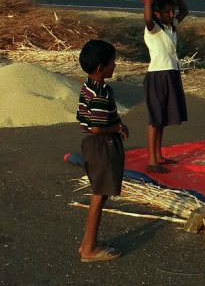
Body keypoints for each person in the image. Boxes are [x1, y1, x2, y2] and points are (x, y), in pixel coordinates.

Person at [76, 39, 128, 262]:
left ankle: (87, 243)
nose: (115, 66)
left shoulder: (88, 86)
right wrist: (118, 127)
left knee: (100, 192)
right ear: (101, 68)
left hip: (91, 145)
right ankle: (89, 248)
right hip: (102, 146)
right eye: (113, 63)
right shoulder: (100, 95)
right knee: (99, 195)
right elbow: (98, 127)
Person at [142, 0, 189, 173]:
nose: (171, 14)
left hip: (171, 73)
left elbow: (185, 11)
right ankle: (151, 160)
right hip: (157, 75)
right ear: (156, 14)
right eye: (167, 11)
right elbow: (147, 18)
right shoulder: (153, 29)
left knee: (162, 118)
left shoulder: (171, 26)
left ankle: (159, 155)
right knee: (155, 118)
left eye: (172, 11)